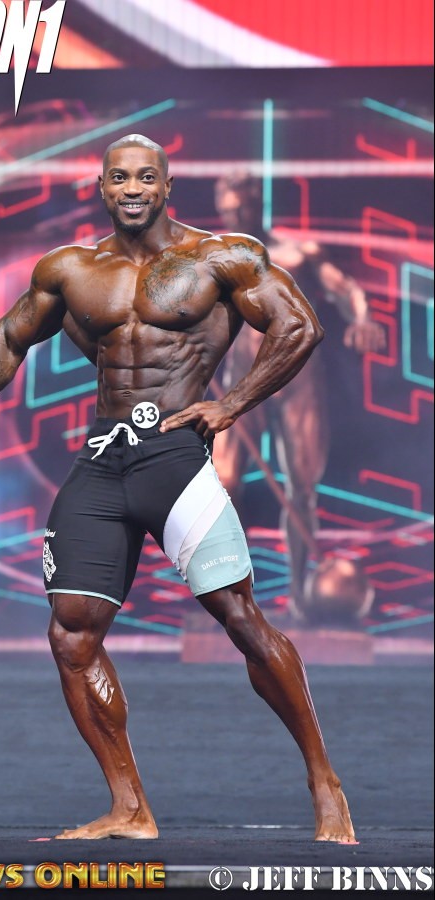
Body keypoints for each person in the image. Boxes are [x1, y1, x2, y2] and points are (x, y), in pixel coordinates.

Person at [0, 134, 356, 843]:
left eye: (145, 178)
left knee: (240, 618)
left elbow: (300, 327)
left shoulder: (222, 257)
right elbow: (10, 337)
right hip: (104, 460)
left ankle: (325, 782)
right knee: (71, 632)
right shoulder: (71, 269)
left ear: (167, 186)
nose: (131, 189)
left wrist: (233, 404)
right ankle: (129, 807)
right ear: (102, 188)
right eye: (119, 178)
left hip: (177, 460)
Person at [213, 172, 385, 618]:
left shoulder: (297, 253)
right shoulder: (212, 260)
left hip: (298, 376)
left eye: (242, 208)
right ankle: (232, 596)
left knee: (302, 490)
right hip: (244, 379)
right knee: (224, 484)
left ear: (258, 204)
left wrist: (362, 317)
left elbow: (346, 289)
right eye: (228, 211)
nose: (236, 217)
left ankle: (297, 597)